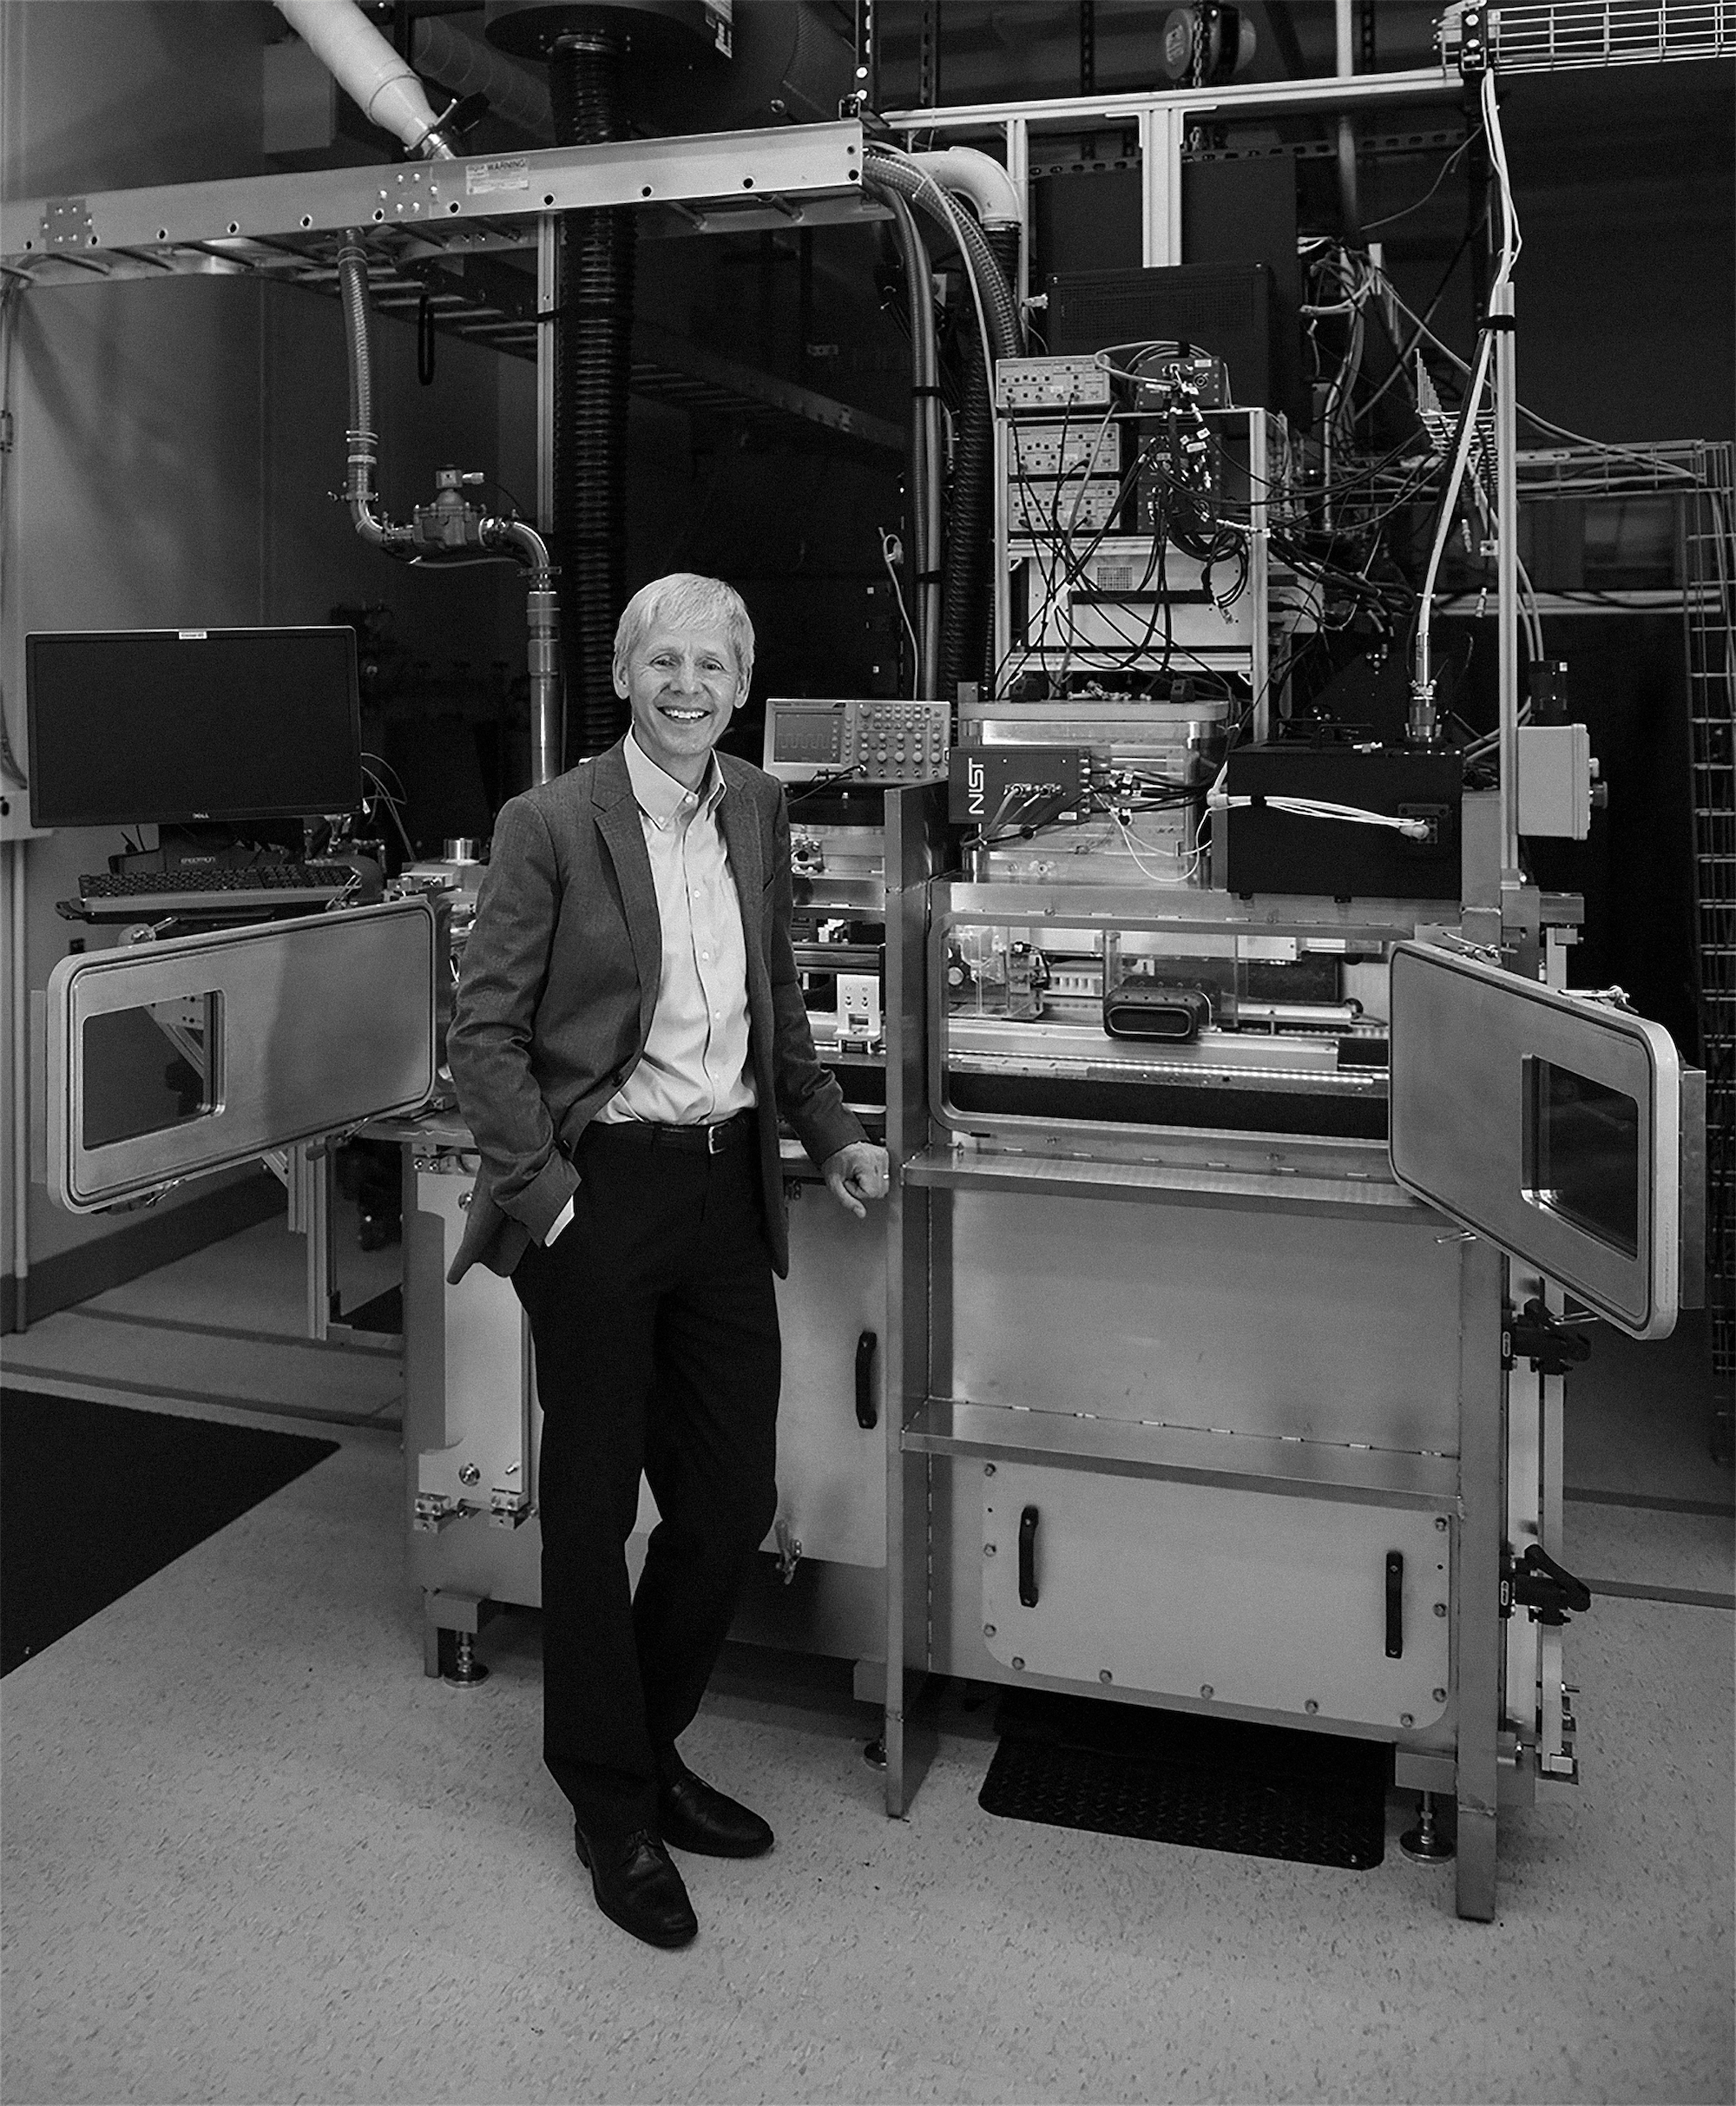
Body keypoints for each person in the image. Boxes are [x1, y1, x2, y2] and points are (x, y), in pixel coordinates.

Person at [444, 572, 890, 1950]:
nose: (687, 685)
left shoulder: (755, 804)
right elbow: (486, 1034)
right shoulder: (550, 822)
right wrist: (553, 1197)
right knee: (587, 1508)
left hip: (721, 1191)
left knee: (724, 1498)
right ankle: (612, 1802)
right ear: (626, 678)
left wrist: (832, 1136)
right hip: (604, 1193)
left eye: (712, 664)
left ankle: (642, 1745)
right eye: (664, 663)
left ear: (740, 684)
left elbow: (778, 1007)